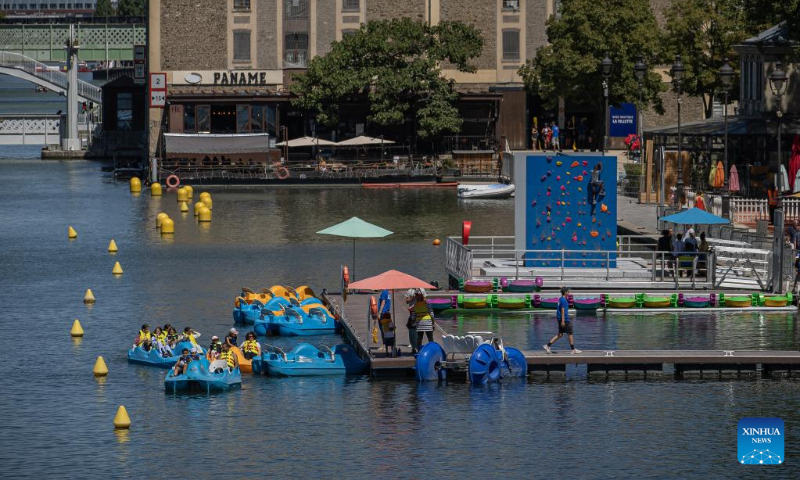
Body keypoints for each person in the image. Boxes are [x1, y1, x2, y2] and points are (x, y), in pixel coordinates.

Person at [543, 287, 581, 354]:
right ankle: (573, 349)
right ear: (565, 292)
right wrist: (563, 321)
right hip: (564, 319)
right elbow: (562, 311)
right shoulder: (564, 300)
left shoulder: (560, 299)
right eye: (568, 292)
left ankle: (548, 345)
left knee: (560, 334)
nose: (569, 293)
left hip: (560, 318)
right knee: (570, 333)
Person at [405, 288, 419, 354]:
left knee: (417, 329)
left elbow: (424, 299)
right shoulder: (409, 291)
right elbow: (407, 301)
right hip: (412, 311)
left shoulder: (420, 290)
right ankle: (413, 344)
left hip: (419, 310)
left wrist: (418, 296)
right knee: (412, 327)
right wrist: (412, 297)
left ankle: (417, 345)